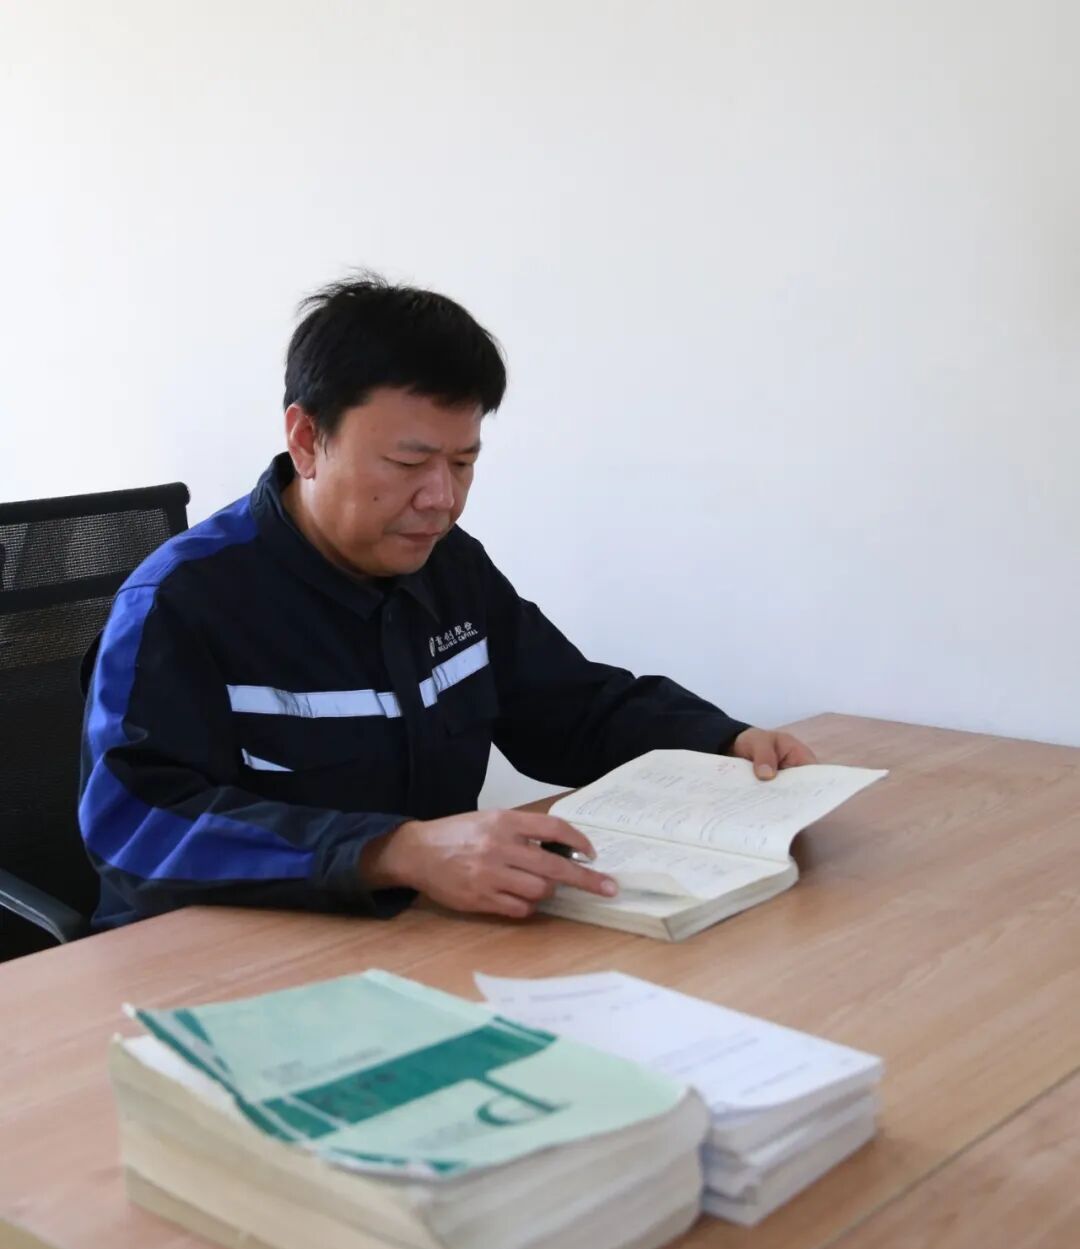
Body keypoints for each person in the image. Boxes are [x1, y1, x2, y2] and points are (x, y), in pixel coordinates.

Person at [79, 274, 815, 930]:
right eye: (409, 462)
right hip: (212, 957)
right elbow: (133, 824)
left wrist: (721, 742)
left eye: (463, 463)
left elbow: (570, 707)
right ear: (306, 440)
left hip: (407, 936)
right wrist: (392, 852)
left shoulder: (446, 565)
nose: (442, 498)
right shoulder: (181, 601)